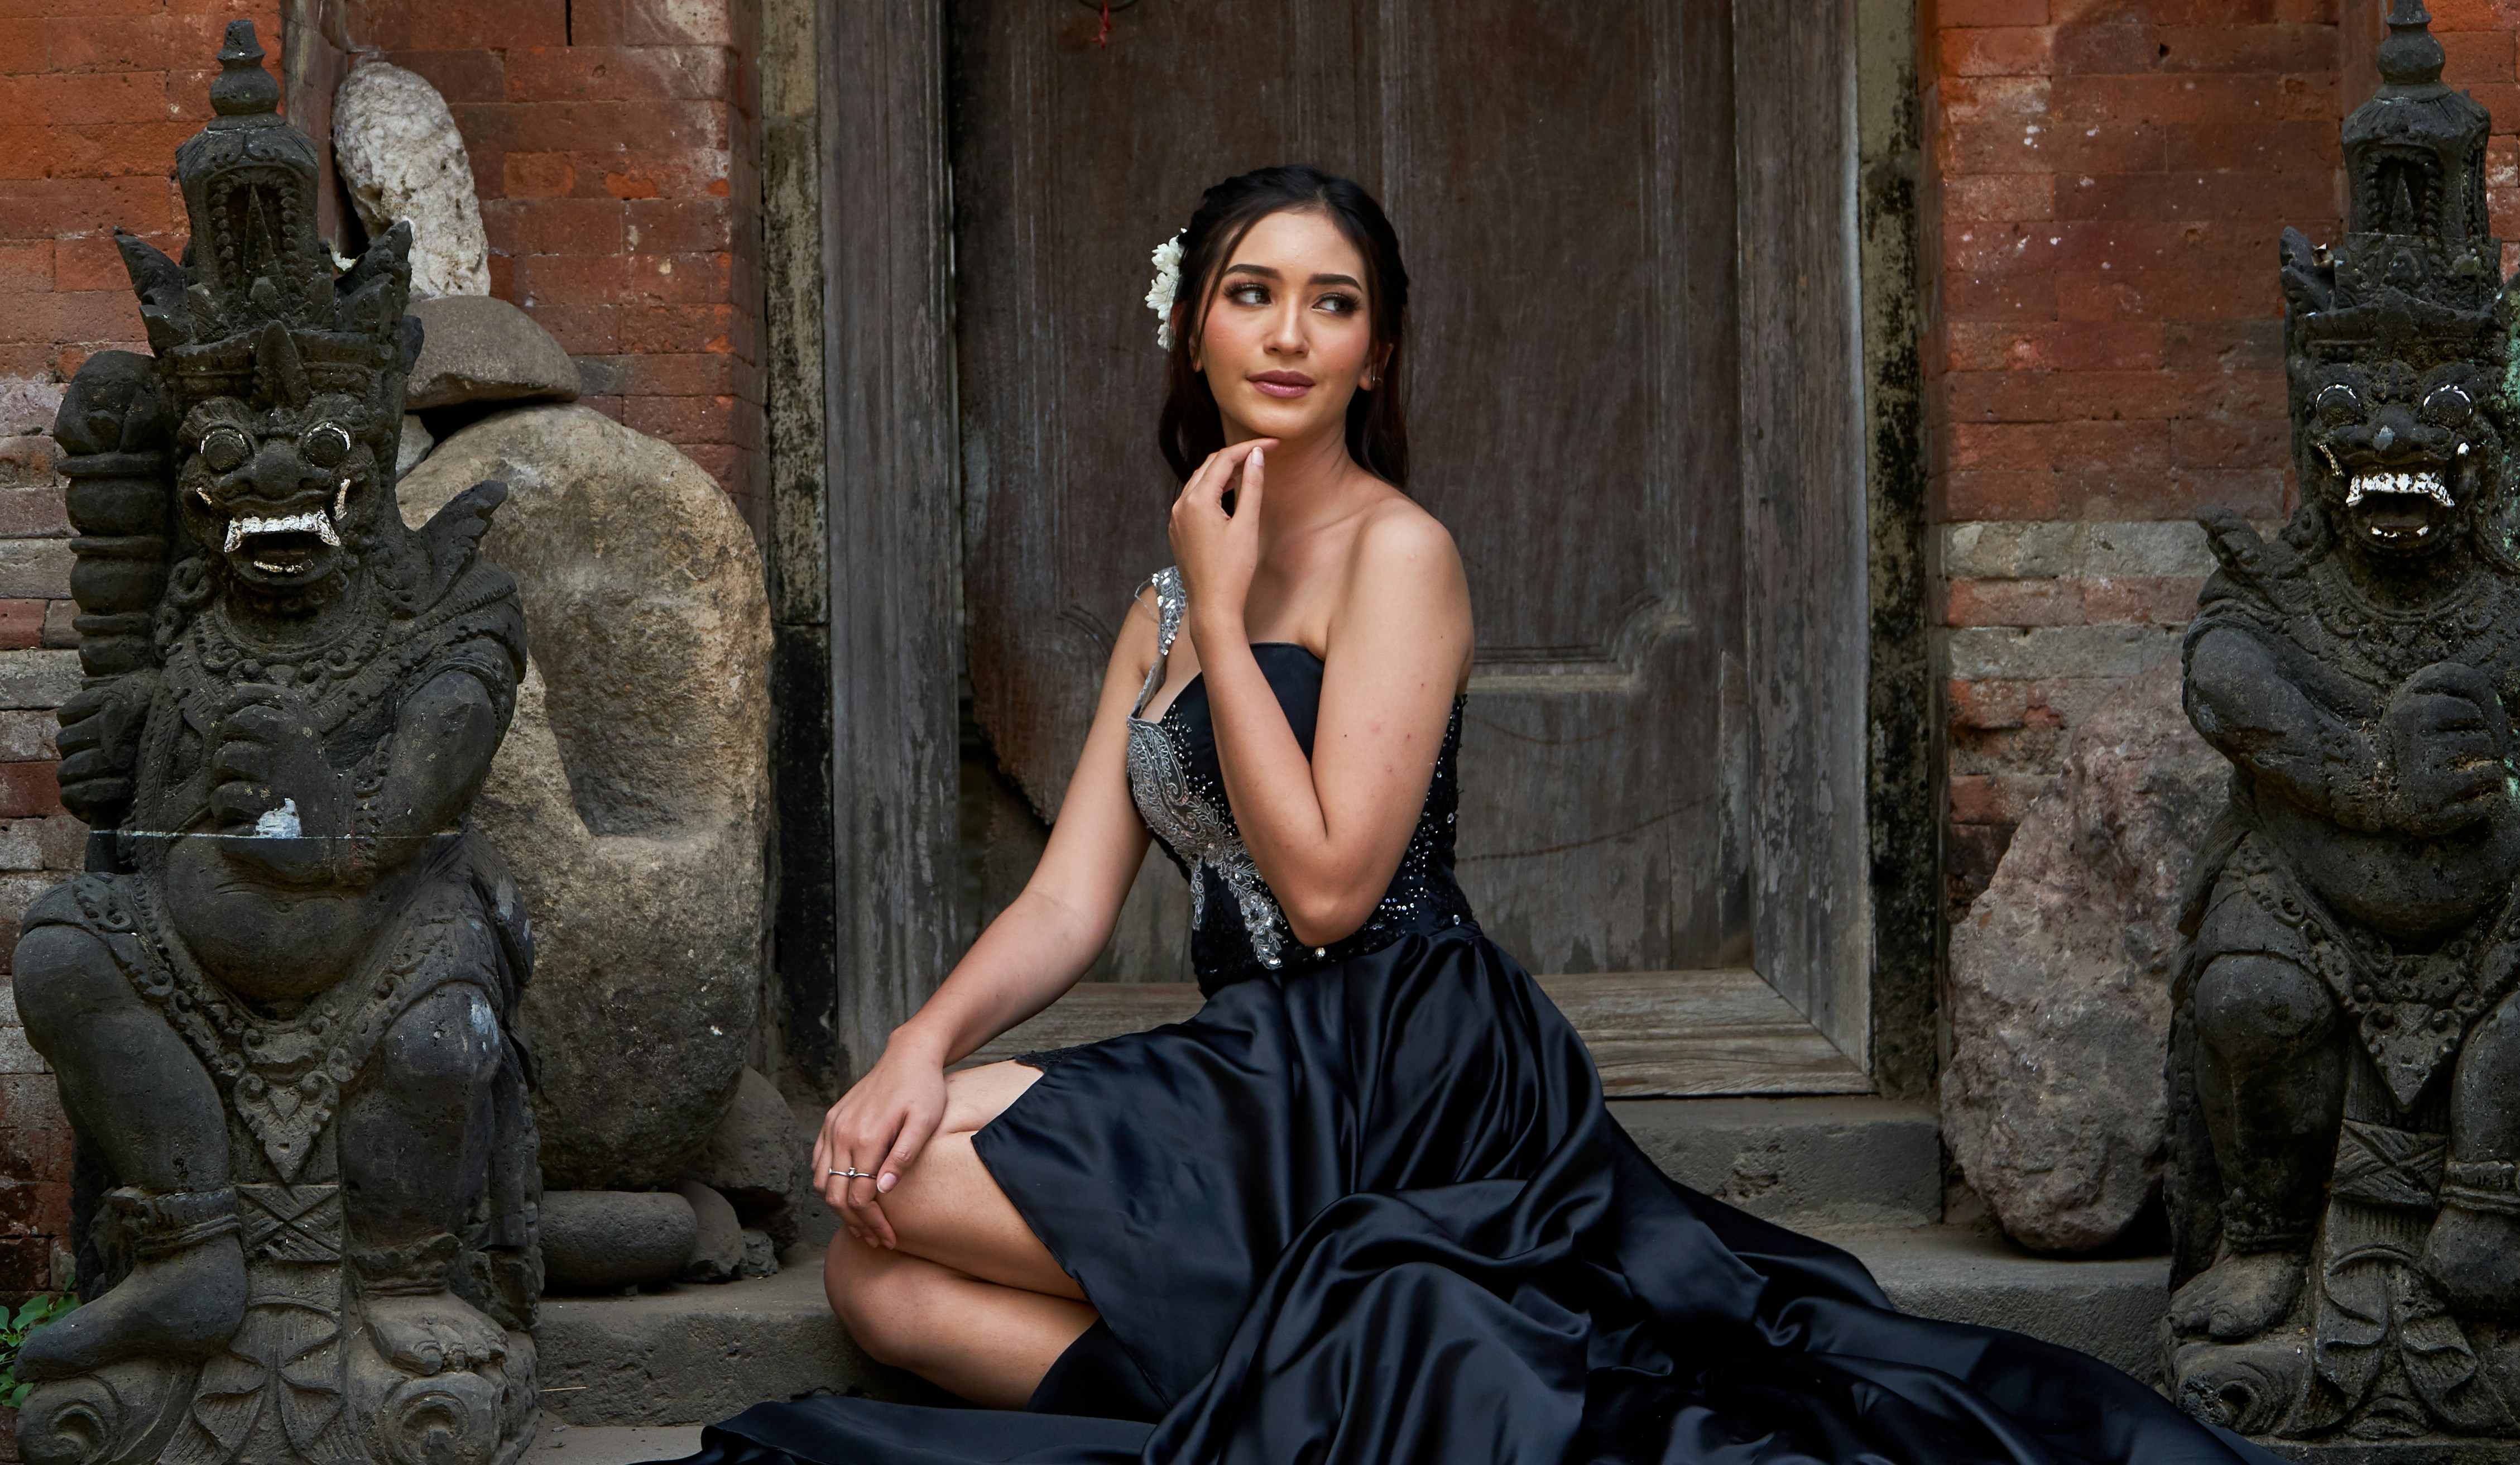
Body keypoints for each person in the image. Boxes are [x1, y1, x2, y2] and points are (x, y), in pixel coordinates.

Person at [670, 165, 2275, 1464]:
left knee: (919, 1198)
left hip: (1402, 1057)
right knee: (870, 1269)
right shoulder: (1158, 598)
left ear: (1379, 348)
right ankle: (1305, 1405)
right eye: (1252, 292)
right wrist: (912, 1050)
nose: (1289, 333)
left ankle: (1326, 1388)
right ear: (1195, 332)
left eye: (1333, 303)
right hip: (1255, 1071)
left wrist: (1228, 623)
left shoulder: (1398, 557)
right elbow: (1070, 903)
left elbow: (1327, 894)